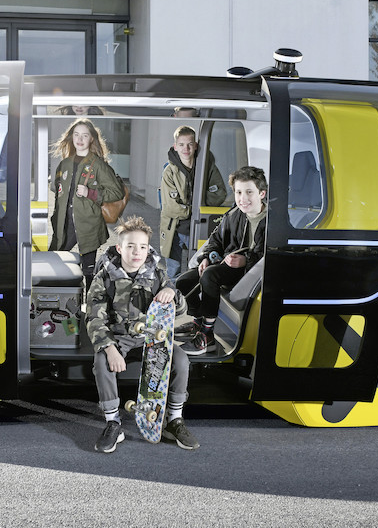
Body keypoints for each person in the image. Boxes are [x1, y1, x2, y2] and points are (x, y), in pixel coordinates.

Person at [87, 216, 197, 453]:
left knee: (181, 360)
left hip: (152, 338)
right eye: (131, 246)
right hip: (119, 338)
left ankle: (174, 420)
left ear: (148, 249)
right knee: (102, 362)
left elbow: (180, 309)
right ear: (120, 248)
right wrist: (110, 348)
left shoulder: (157, 274)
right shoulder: (104, 277)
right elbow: (95, 318)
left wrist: (171, 292)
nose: (137, 252)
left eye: (143, 247)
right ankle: (113, 422)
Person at [175, 166, 268, 355]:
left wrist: (244, 261)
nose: (243, 198)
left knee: (210, 276)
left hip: (252, 272)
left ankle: (207, 335)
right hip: (227, 265)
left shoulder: (271, 222)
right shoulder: (234, 214)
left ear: (261, 193)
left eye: (249, 192)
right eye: (239, 192)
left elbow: (267, 255)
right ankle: (197, 322)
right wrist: (207, 257)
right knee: (183, 281)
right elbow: (216, 240)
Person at [48, 118, 124, 288]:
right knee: (55, 262)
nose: (80, 139)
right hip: (63, 225)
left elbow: (117, 192)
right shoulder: (65, 163)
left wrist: (90, 193)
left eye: (84, 135)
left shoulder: (98, 165)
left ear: (91, 139)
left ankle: (91, 307)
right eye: (76, 135)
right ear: (71, 137)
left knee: (88, 271)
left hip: (88, 225)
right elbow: (57, 190)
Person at [159, 126, 227, 277]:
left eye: (190, 144)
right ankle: (174, 299)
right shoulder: (169, 172)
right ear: (175, 146)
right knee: (173, 271)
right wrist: (196, 207)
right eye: (182, 144)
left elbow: (220, 194)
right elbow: (170, 208)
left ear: (196, 145)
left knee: (197, 269)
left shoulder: (207, 167)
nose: (186, 148)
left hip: (199, 226)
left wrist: (192, 204)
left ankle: (191, 300)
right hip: (175, 229)